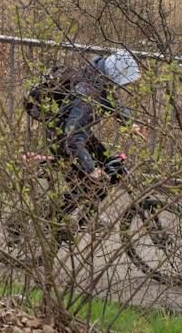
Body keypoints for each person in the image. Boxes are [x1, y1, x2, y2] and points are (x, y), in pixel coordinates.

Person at [45, 49, 141, 238]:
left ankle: (86, 217)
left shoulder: (99, 76)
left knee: (111, 169)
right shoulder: (88, 92)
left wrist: (129, 123)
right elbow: (71, 136)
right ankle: (52, 221)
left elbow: (111, 99)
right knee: (89, 182)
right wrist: (90, 169)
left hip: (78, 134)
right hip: (63, 138)